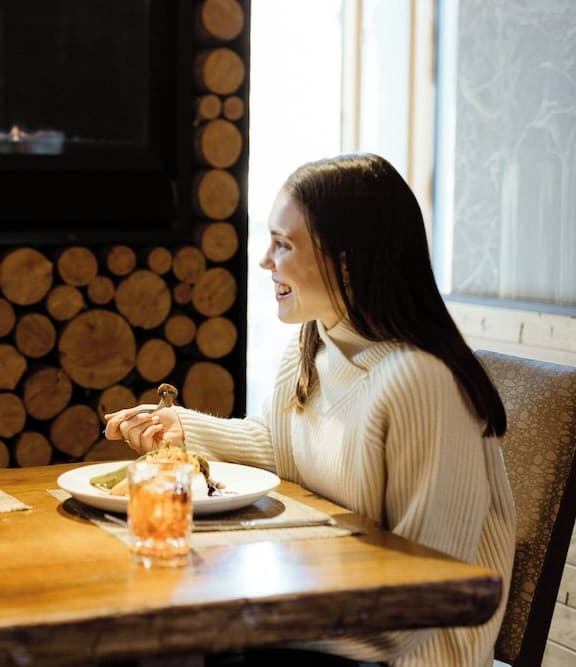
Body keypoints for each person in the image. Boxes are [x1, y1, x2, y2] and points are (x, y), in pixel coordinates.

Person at [104, 153, 516, 667]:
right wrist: (181, 430)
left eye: (284, 244)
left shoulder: (420, 381)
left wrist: (248, 623)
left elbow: (423, 599)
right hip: (324, 619)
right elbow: (289, 452)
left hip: (402, 652)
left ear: (346, 260)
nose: (264, 260)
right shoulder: (312, 345)